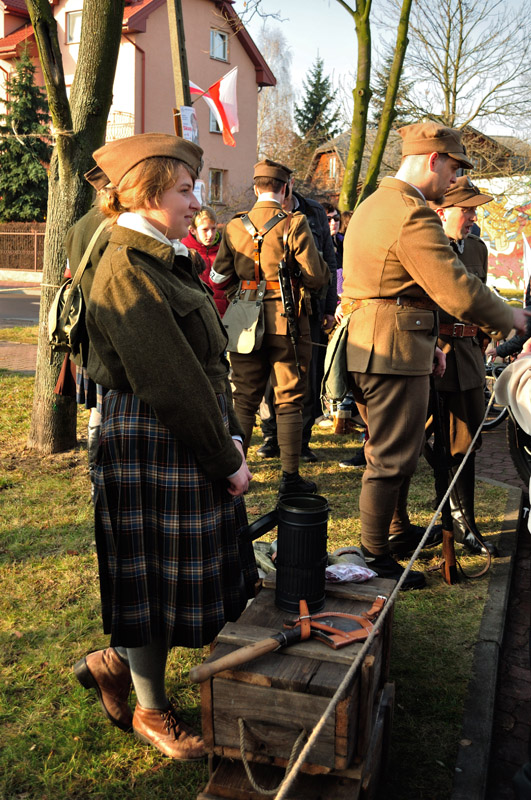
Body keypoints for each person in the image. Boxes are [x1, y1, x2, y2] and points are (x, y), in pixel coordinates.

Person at [73, 133, 258, 760]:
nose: (195, 200)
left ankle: (115, 664)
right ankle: (152, 713)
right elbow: (170, 380)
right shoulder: (127, 266)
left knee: (171, 577)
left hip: (180, 430)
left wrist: (230, 432)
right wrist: (224, 456)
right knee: (149, 580)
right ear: (148, 191)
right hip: (152, 435)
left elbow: (204, 365)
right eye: (183, 189)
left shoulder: (162, 254)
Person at [341, 121, 528, 590]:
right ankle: (376, 556)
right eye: (453, 166)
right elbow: (455, 289)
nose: (453, 179)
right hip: (393, 348)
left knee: (388, 453)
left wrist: (430, 348)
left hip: (381, 342)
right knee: (390, 459)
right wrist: (511, 317)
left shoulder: (371, 205)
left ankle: (381, 546)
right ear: (432, 159)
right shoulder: (411, 212)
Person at [211, 158, 330, 495]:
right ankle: (290, 479)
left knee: (244, 399)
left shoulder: (234, 227)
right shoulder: (295, 223)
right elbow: (317, 276)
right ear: (285, 188)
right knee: (290, 399)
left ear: (254, 188)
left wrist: (245, 285)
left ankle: (236, 471)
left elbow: (218, 278)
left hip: (245, 320)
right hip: (288, 320)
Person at [429, 176, 498, 555]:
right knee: (410, 445)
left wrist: (485, 337)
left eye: (474, 209)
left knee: (464, 443)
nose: (473, 216)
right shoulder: (426, 246)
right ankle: (396, 528)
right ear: (442, 211)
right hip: (428, 354)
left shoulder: (477, 249)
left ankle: (462, 522)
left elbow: (482, 298)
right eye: (466, 209)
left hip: (467, 357)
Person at [256, 178, 338, 463]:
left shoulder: (313, 212)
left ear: (288, 187)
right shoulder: (259, 214)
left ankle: (302, 440)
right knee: (271, 373)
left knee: (307, 375)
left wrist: (329, 307)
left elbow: (328, 259)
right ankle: (270, 436)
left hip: (310, 308)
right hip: (271, 309)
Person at [181, 205, 229, 316]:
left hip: (225, 319)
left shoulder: (224, 252)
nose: (210, 234)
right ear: (192, 230)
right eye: (205, 230)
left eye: (213, 228)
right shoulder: (184, 253)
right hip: (199, 317)